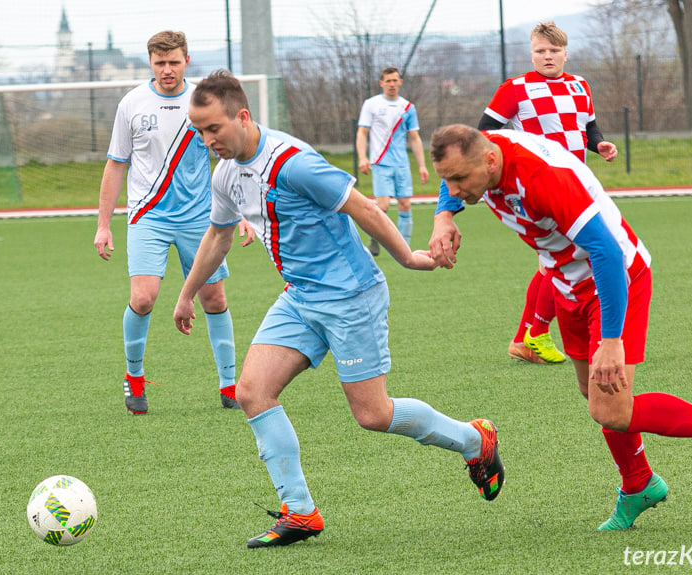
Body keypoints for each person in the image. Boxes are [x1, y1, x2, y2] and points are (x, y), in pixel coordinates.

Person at [173, 71, 504, 548]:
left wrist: (408, 257)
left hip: (352, 297)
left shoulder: (293, 163)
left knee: (372, 414)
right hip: (299, 298)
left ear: (242, 116)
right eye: (199, 131)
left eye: (213, 129)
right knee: (252, 392)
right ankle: (300, 512)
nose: (207, 141)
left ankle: (476, 441)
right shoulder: (225, 173)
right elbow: (219, 235)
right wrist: (187, 294)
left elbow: (365, 209)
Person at [428, 124, 692, 530]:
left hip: (615, 277)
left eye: (460, 180)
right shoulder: (482, 153)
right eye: (448, 180)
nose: (455, 187)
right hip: (566, 282)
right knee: (595, 392)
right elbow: (456, 174)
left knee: (611, 408)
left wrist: (611, 339)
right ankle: (639, 483)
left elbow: (606, 251)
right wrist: (444, 214)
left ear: (491, 161)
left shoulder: (541, 179)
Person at [93, 31, 249, 414]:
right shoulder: (132, 103)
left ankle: (230, 386)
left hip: (201, 217)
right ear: (151, 62)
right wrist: (103, 223)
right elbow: (116, 164)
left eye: (173, 62)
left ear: (186, 60)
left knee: (214, 297)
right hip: (148, 215)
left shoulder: (204, 103)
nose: (167, 69)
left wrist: (244, 210)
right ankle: (134, 378)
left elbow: (232, 154)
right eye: (160, 62)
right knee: (143, 298)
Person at [478, 22, 618, 366]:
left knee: (555, 263)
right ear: (532, 54)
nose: (547, 56)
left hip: (575, 186)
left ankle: (526, 337)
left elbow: (586, 128)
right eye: (540, 51)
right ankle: (536, 333)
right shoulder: (514, 89)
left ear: (565, 53)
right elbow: (483, 137)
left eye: (554, 50)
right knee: (566, 260)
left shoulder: (580, 85)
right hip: (536, 188)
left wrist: (599, 144)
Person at [356, 66, 429, 255]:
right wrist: (363, 157)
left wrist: (422, 165)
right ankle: (375, 240)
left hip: (401, 164)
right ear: (381, 83)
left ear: (400, 82)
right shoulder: (371, 104)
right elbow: (362, 132)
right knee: (383, 206)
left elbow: (414, 137)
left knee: (405, 204)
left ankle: (404, 248)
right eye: (388, 81)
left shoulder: (407, 107)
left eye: (395, 80)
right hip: (380, 162)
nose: (392, 84)